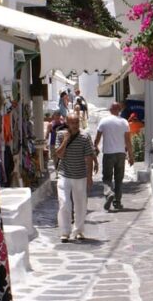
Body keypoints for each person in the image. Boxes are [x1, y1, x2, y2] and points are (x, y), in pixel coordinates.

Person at [55, 114, 95, 242]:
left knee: (80, 204)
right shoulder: (61, 135)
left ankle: (78, 230)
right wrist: (66, 140)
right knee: (64, 203)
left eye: (77, 122)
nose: (75, 125)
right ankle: (65, 231)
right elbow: (59, 154)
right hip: (64, 174)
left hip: (80, 175)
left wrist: (89, 177)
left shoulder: (84, 136)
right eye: (72, 123)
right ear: (67, 123)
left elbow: (89, 157)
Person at [94, 102, 134, 211]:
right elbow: (128, 141)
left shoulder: (104, 121)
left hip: (108, 153)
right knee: (118, 179)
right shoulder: (124, 122)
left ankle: (109, 193)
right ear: (119, 110)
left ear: (110, 110)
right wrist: (131, 156)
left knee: (107, 178)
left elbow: (97, 138)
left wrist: (95, 147)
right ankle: (117, 202)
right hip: (121, 154)